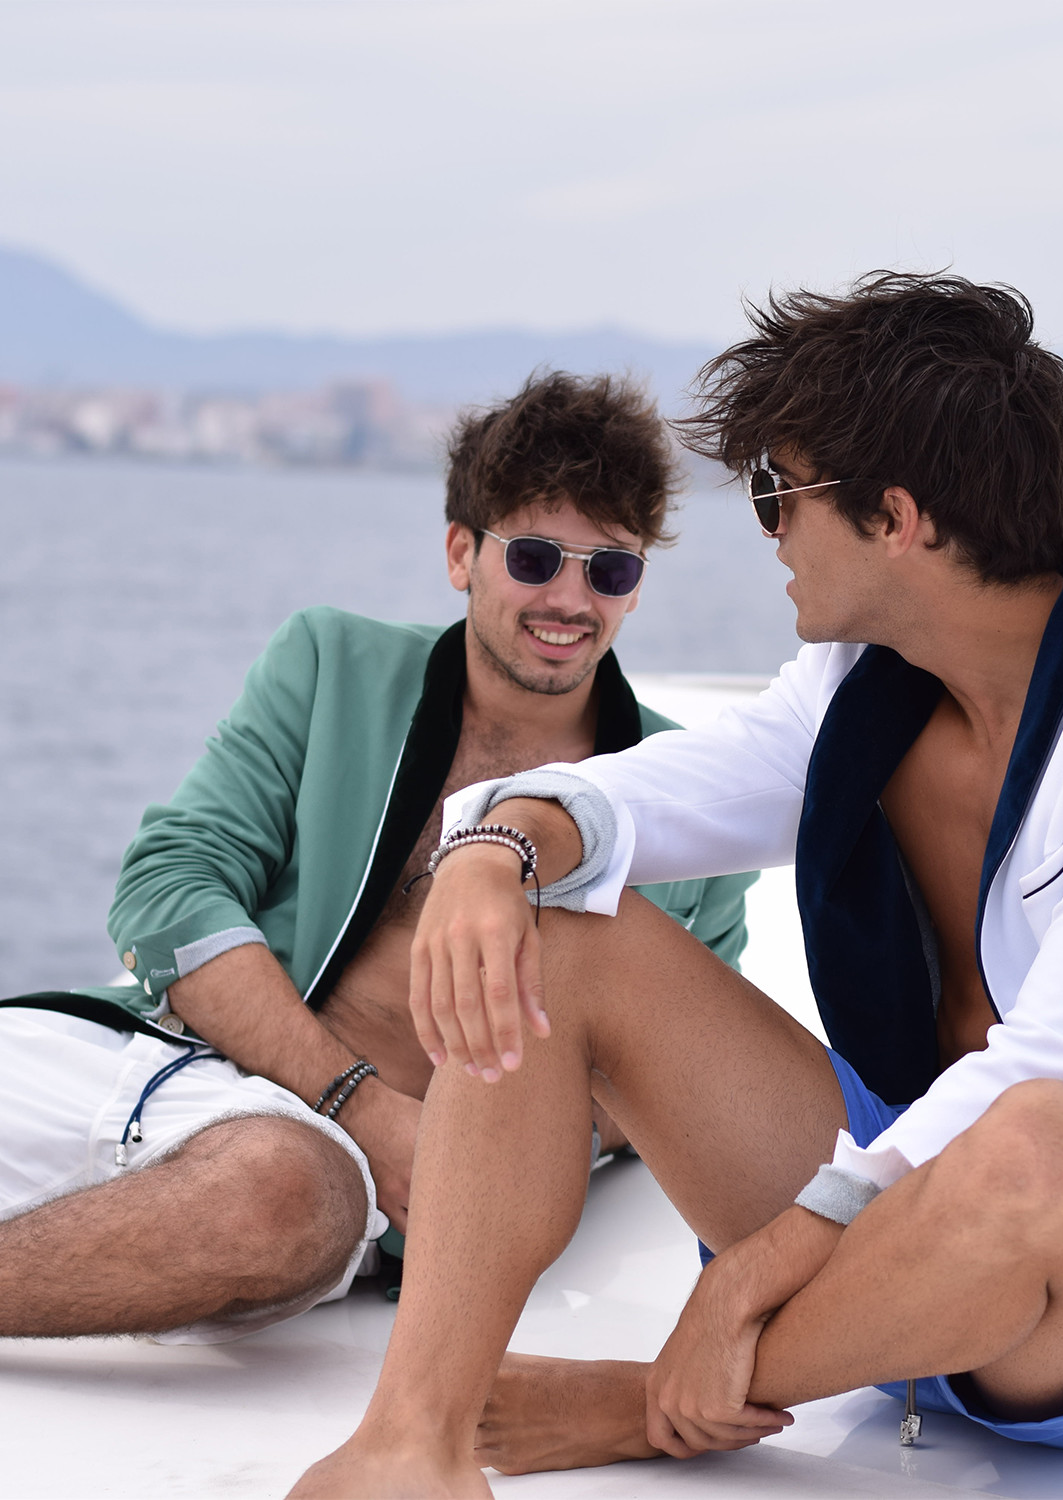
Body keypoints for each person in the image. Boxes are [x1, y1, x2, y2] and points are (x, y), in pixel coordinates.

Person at [292, 274, 1063, 1500]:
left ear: (897, 518)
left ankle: (656, 1401)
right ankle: (413, 1443)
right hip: (896, 1255)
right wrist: (496, 845)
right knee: (555, 925)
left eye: (780, 490)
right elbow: (663, 791)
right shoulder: (863, 683)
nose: (766, 530)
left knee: (1042, 1141)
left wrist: (773, 1255)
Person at [0, 370, 756, 1345]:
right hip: (131, 1052)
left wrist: (473, 1155)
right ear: (461, 553)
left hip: (311, 1170)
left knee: (280, 1198)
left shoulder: (681, 808)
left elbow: (667, 1086)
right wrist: (359, 1101)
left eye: (609, 569)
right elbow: (168, 886)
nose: (571, 600)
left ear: (636, 586)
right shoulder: (331, 665)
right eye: (535, 558)